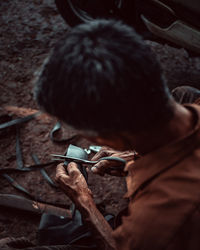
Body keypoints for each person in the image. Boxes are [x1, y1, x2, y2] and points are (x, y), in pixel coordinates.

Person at [35, 19, 200, 250]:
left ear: (105, 138)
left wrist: (85, 203)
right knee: (185, 93)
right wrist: (133, 157)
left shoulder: (158, 221)